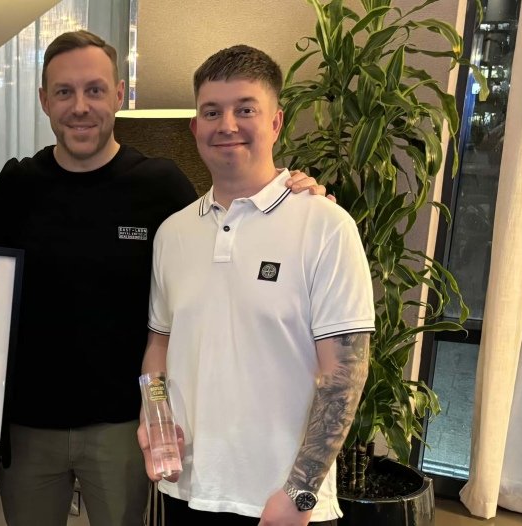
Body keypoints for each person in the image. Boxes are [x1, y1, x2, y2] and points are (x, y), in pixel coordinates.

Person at [0, 31, 328, 526]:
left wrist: (295, 194)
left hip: (125, 427)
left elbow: (228, 230)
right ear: (44, 100)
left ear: (119, 94)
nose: (80, 106)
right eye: (64, 92)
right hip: (28, 425)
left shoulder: (160, 186)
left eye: (94, 90)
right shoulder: (16, 187)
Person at [140, 45, 374, 526]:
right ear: (195, 127)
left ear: (276, 122)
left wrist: (301, 495)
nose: (227, 125)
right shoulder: (173, 233)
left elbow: (344, 374)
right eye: (212, 112)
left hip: (281, 502)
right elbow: (159, 343)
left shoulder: (325, 225)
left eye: (245, 109)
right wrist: (154, 419)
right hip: (187, 488)